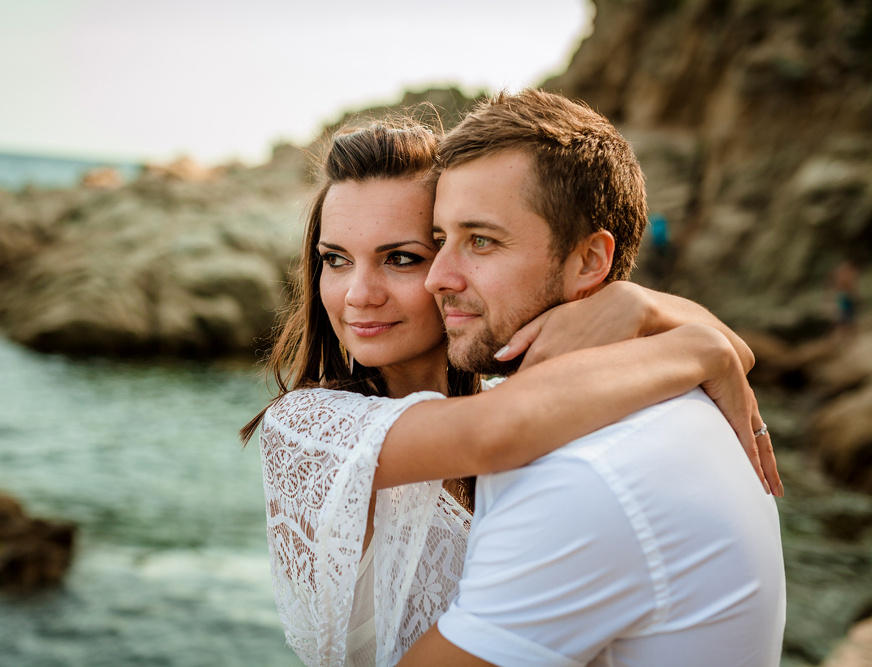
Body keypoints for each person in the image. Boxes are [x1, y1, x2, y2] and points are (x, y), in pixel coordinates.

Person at [241, 121, 778, 667]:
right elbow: (494, 432)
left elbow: (742, 356)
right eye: (336, 259)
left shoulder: (513, 392)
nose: (358, 294)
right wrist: (696, 349)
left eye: (401, 258)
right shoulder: (305, 426)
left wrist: (639, 304)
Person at [398, 90, 786, 666]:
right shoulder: (662, 393)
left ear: (589, 262)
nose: (438, 277)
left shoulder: (584, 474)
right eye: (438, 241)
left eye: (481, 240)